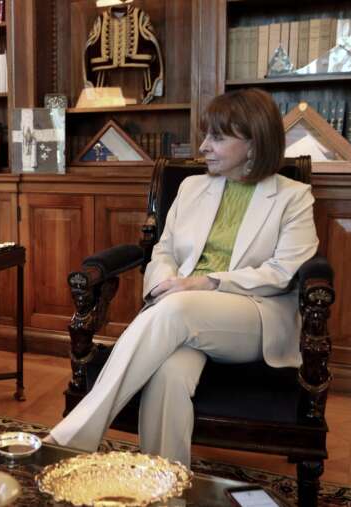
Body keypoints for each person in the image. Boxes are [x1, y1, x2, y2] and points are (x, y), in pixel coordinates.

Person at [45, 88, 319, 467]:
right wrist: (165, 286)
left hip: (254, 317)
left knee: (178, 310)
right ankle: (165, 483)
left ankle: (71, 439)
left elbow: (282, 272)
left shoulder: (293, 197)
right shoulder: (192, 188)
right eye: (206, 135)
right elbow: (164, 250)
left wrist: (204, 283)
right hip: (181, 312)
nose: (203, 146)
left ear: (254, 143)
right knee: (169, 376)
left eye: (217, 138)